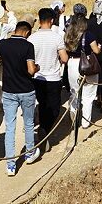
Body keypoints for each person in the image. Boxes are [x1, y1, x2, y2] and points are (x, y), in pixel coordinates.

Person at [0, 21, 39, 176]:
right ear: (26, 32)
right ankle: (29, 153)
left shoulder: (3, 44)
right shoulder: (28, 46)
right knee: (28, 124)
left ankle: (11, 164)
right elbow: (31, 71)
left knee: (10, 127)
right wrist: (37, 68)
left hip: (9, 90)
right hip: (26, 89)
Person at [27, 8, 67, 146]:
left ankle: (42, 130)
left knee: (43, 104)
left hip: (37, 78)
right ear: (51, 21)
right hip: (53, 77)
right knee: (55, 108)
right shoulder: (57, 37)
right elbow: (64, 58)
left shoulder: (32, 38)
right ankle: (44, 131)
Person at [63, 6, 100, 129]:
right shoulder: (88, 35)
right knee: (88, 95)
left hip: (72, 63)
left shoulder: (68, 35)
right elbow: (96, 50)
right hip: (86, 63)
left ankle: (73, 114)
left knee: (74, 91)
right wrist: (99, 47)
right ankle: (85, 122)